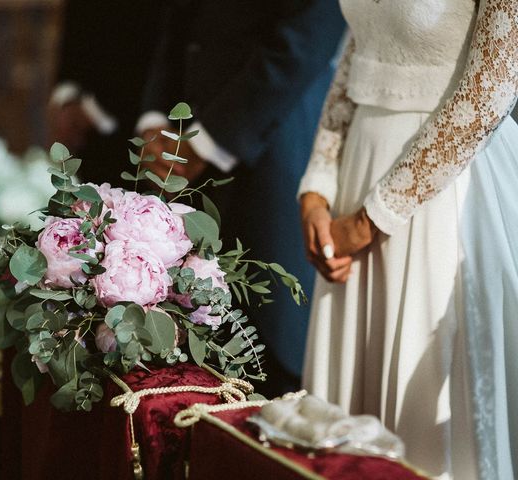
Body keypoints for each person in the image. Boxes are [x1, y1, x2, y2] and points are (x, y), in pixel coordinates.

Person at [299, 1, 517, 478]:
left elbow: (488, 94)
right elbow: (359, 49)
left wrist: (370, 219)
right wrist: (317, 189)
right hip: (353, 176)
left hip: (439, 191)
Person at [136, 0, 345, 394]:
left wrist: (205, 143)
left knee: (269, 359)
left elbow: (306, 37)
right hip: (177, 155)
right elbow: (179, 25)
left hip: (267, 151)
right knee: (179, 359)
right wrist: (155, 119)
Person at [49, 0, 163, 187]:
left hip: (153, 125)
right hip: (93, 141)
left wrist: (94, 108)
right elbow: (79, 18)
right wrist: (67, 94)